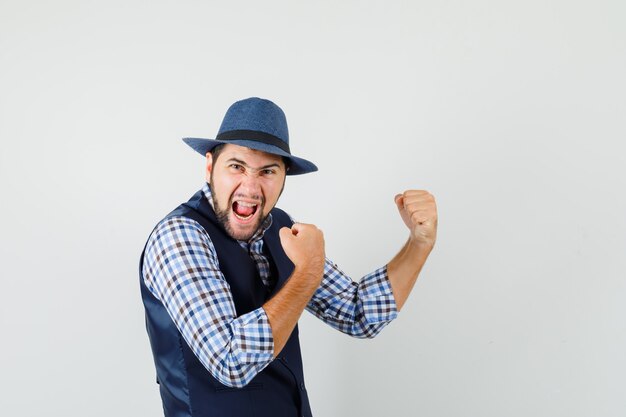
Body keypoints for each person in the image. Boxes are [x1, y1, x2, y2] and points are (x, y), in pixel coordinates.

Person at [139, 97, 438, 417]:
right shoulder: (179, 236)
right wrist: (307, 272)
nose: (250, 187)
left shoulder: (280, 227)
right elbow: (230, 361)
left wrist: (419, 243)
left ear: (284, 178)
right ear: (210, 166)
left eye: (267, 171)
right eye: (236, 166)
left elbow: (360, 313)